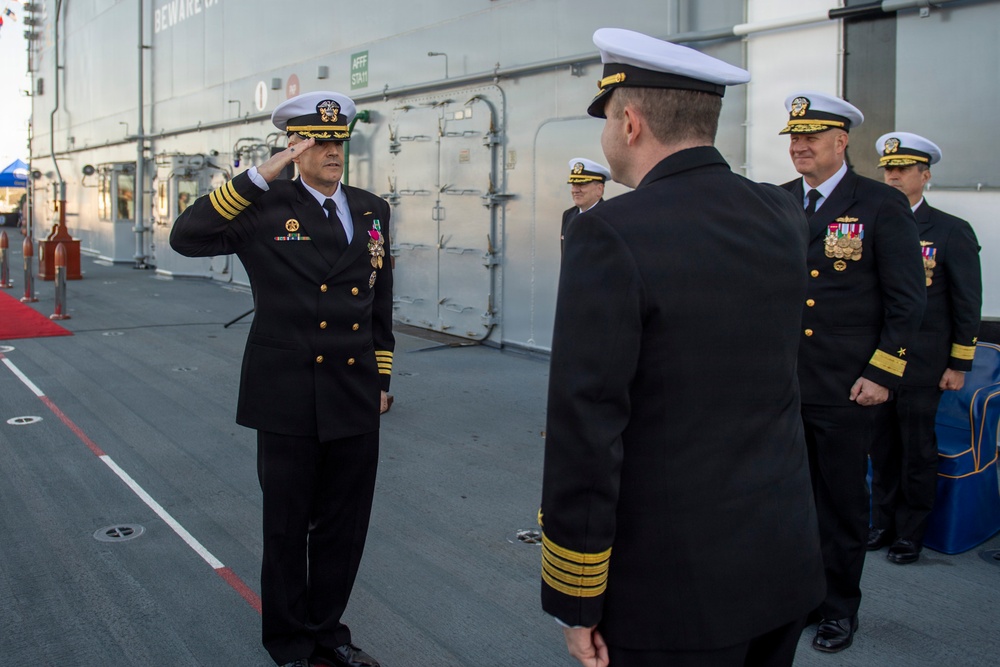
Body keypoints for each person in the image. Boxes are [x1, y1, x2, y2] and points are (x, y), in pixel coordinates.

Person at [540, 28, 825, 667]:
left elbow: (587, 426)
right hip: (780, 560)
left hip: (672, 589)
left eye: (607, 119)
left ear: (631, 122)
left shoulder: (610, 232)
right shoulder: (782, 214)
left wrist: (575, 595)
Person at [170, 91, 392, 667]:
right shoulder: (263, 207)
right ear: (293, 147)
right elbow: (186, 237)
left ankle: (328, 633)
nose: (331, 151)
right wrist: (259, 175)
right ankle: (291, 643)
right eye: (317, 141)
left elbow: (378, 301)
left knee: (344, 527)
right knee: (289, 528)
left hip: (352, 390)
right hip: (288, 390)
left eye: (338, 140)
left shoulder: (371, 209)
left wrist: (382, 375)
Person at [778, 92, 926, 652]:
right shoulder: (781, 200)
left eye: (811, 137)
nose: (799, 146)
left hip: (847, 386)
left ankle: (841, 609)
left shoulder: (880, 206)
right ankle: (804, 598)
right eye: (794, 137)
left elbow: (908, 301)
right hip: (786, 383)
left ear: (841, 141)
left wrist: (883, 373)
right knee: (791, 501)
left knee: (840, 504)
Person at [868, 132, 982, 564]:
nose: (892, 175)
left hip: (924, 360)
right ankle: (881, 521)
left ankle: (910, 531)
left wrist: (959, 362)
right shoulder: (873, 222)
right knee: (880, 444)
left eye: (903, 169)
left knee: (916, 446)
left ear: (925, 174)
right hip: (878, 357)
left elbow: (967, 302)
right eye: (887, 168)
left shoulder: (950, 231)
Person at [561, 157, 609, 251]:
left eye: (582, 184)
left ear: (599, 189)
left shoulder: (609, 217)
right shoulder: (568, 215)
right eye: (573, 184)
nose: (575, 190)